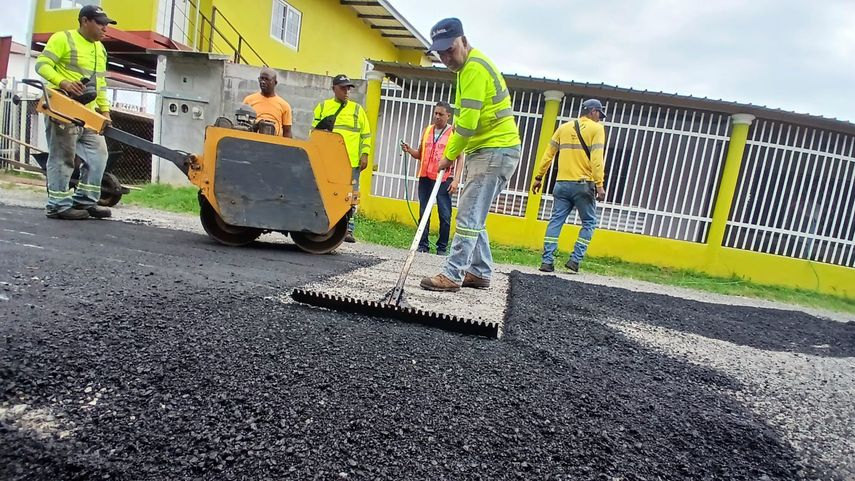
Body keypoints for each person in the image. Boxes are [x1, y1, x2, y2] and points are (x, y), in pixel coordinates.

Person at [419, 18, 521, 292]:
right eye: (440, 53)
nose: (445, 57)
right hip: (491, 150)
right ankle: (480, 271)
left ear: (463, 41)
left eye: (449, 50)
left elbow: (466, 125)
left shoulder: (474, 68)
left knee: (467, 214)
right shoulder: (466, 70)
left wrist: (448, 156)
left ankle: (453, 274)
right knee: (475, 214)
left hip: (494, 149)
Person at [35, 5, 116, 220]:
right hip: (63, 110)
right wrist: (64, 83)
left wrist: (105, 111)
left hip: (88, 114)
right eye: (100, 23)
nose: (104, 28)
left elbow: (101, 83)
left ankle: (85, 201)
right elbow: (42, 65)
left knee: (99, 155)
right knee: (63, 157)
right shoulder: (63, 38)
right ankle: (58, 205)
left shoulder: (100, 49)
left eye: (106, 24)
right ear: (84, 21)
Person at [531, 98, 607, 273]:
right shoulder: (598, 129)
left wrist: (539, 177)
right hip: (583, 185)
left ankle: (547, 261)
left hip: (561, 184)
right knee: (589, 222)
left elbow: (548, 155)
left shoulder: (563, 128)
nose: (600, 118)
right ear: (593, 111)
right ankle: (575, 260)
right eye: (599, 114)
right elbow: (597, 160)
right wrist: (600, 185)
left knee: (556, 221)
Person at [312, 74, 370, 243]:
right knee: (328, 194)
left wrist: (364, 155)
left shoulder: (357, 110)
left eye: (348, 88)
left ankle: (348, 229)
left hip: (351, 162)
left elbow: (366, 135)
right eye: (343, 88)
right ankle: (329, 224)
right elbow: (314, 133)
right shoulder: (323, 107)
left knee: (350, 195)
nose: (346, 91)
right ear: (334, 89)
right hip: (329, 161)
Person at [401, 101, 464, 255]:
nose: (437, 117)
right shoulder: (427, 130)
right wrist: (409, 150)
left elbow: (460, 158)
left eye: (440, 114)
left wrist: (456, 180)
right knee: (424, 212)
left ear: (448, 116)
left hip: (444, 179)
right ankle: (423, 245)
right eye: (435, 113)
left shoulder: (453, 133)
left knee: (444, 214)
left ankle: (442, 248)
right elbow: (420, 154)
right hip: (425, 178)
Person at [242, 67, 292, 137]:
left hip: (274, 144)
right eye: (261, 78)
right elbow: (242, 125)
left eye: (267, 79)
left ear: (275, 83)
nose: (263, 82)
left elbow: (287, 132)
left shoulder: (284, 106)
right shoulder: (249, 100)